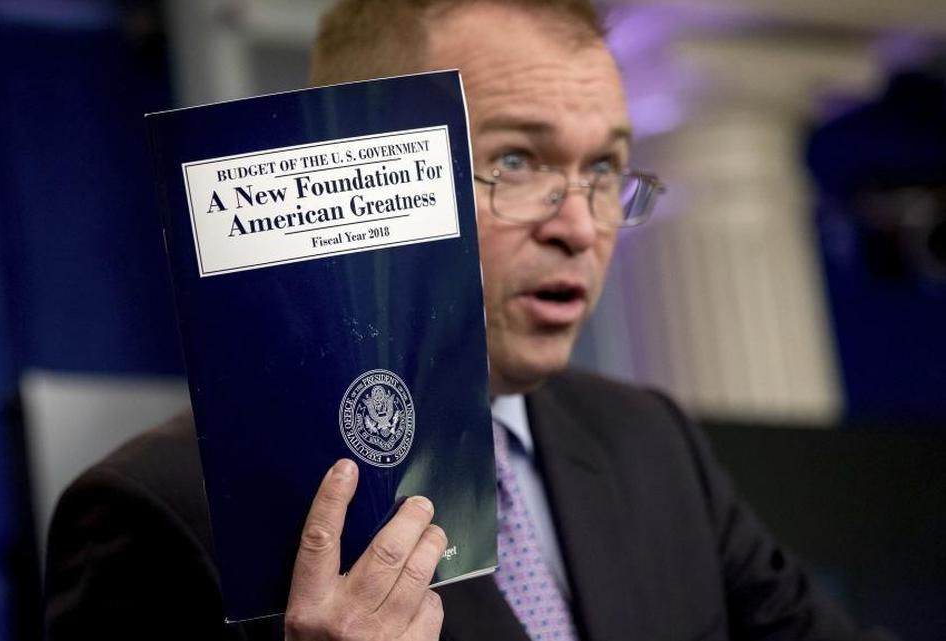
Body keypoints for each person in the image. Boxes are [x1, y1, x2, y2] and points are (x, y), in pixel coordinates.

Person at [44, 1, 895, 640]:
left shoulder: (650, 440)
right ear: (361, 166)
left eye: (605, 167)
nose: (580, 225)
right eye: (516, 160)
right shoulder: (155, 512)